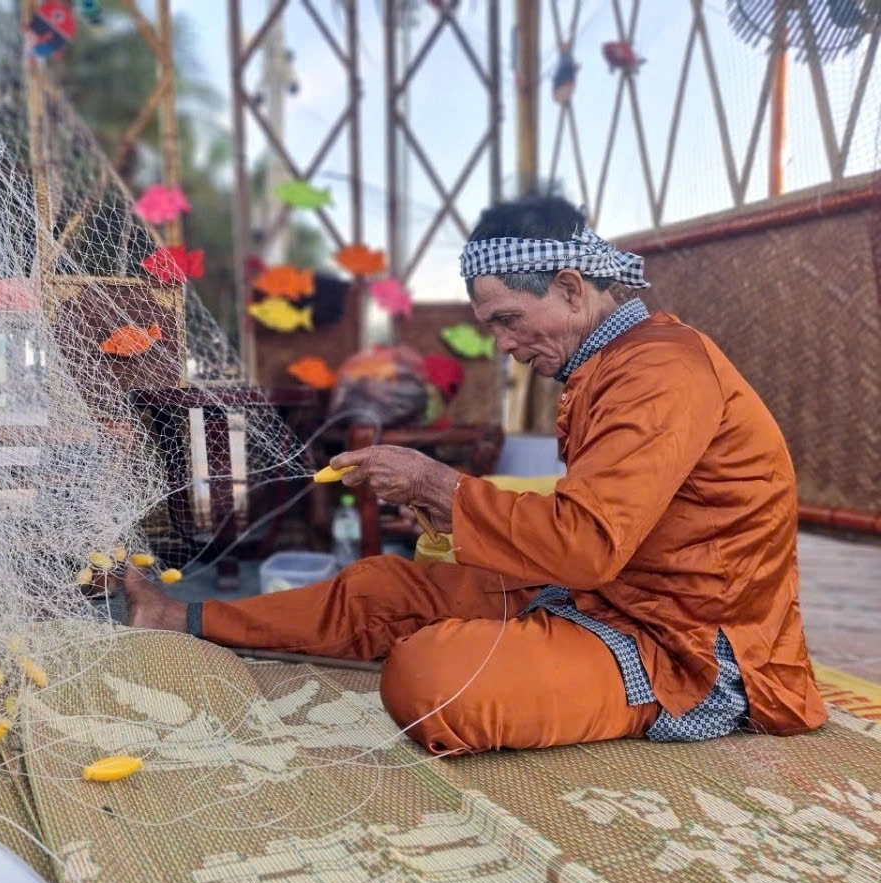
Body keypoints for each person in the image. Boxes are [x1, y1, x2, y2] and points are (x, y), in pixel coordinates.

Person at [125, 194, 827, 755]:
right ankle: (179, 613)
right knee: (384, 586)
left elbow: (585, 542)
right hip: (605, 595)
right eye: (493, 327)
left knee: (431, 677)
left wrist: (440, 486)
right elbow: (608, 519)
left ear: (570, 287)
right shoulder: (613, 365)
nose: (505, 346)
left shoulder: (660, 371)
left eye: (510, 321)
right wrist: (458, 511)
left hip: (685, 642)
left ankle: (654, 696)